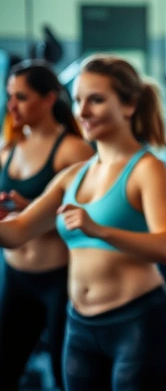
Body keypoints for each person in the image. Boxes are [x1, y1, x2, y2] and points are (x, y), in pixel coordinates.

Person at [0, 55, 166, 390]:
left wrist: (100, 230)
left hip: (138, 323)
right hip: (80, 326)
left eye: (96, 100)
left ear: (129, 106)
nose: (82, 112)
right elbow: (17, 232)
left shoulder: (148, 170)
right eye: (79, 100)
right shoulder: (75, 175)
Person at [0, 61, 94, 390]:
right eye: (10, 96)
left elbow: (90, 224)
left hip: (58, 278)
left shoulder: (73, 151)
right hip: (14, 275)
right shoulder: (8, 148)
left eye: (21, 97)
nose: (11, 105)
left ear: (49, 99)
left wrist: (35, 214)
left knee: (64, 373)